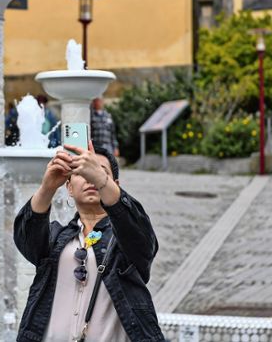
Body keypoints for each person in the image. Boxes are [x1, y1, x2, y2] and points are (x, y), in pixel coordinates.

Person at [14, 141, 164, 342]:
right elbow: (25, 239)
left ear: (115, 186)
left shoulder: (125, 237)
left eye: (98, 172)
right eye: (81, 173)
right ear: (69, 187)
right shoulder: (56, 236)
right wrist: (47, 188)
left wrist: (101, 180)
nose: (90, 179)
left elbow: (143, 240)